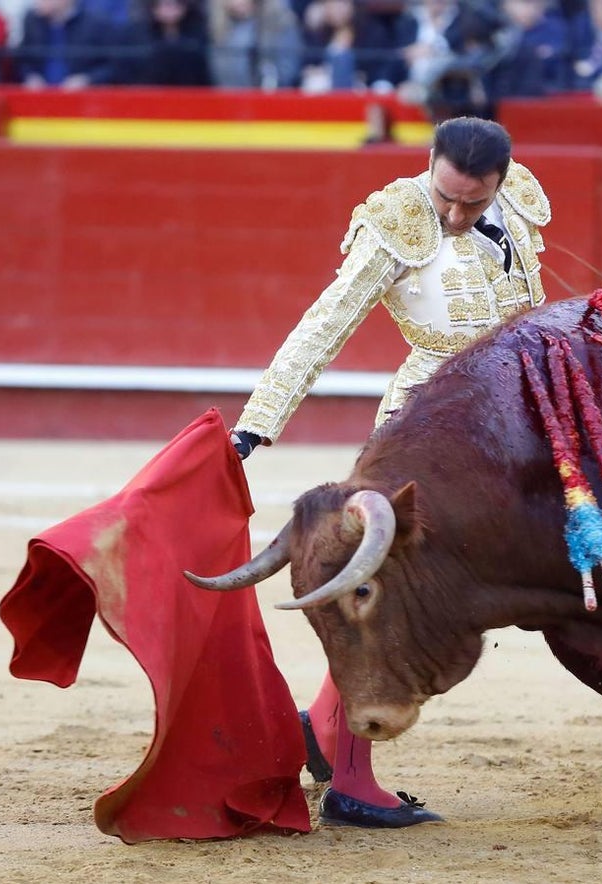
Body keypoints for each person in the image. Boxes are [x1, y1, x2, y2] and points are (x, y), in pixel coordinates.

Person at [228, 116, 552, 828]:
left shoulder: (521, 199)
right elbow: (325, 323)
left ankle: (321, 726)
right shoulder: (397, 220)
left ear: (502, 179)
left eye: (473, 202)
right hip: (425, 428)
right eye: (446, 197)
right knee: (388, 601)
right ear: (429, 163)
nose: (455, 214)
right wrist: (257, 425)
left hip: (516, 422)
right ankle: (351, 782)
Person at [15, 0, 121, 88]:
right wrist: (30, 76)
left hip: (83, 100)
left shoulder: (96, 23)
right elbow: (22, 60)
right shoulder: (31, 21)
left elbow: (113, 66)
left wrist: (87, 79)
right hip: (39, 97)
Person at [207, 0, 301, 90]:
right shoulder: (216, 28)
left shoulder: (280, 23)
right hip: (227, 100)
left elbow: (287, 71)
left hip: (268, 100)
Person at [127, 0, 211, 86]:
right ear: (153, 8)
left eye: (175, 4)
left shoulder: (199, 34)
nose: (170, 9)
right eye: (164, 4)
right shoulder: (138, 36)